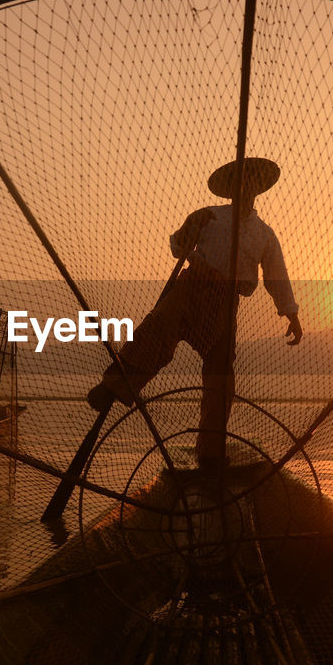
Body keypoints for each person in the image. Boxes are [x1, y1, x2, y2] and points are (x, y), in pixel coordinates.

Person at [86, 157, 302, 467]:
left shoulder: (264, 234)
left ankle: (211, 451)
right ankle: (113, 387)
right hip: (191, 288)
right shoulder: (209, 216)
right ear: (230, 189)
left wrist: (291, 313)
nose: (246, 186)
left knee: (221, 373)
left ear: (259, 187)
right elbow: (178, 247)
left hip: (225, 303)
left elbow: (276, 275)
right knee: (157, 329)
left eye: (252, 181)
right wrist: (189, 229)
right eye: (240, 181)